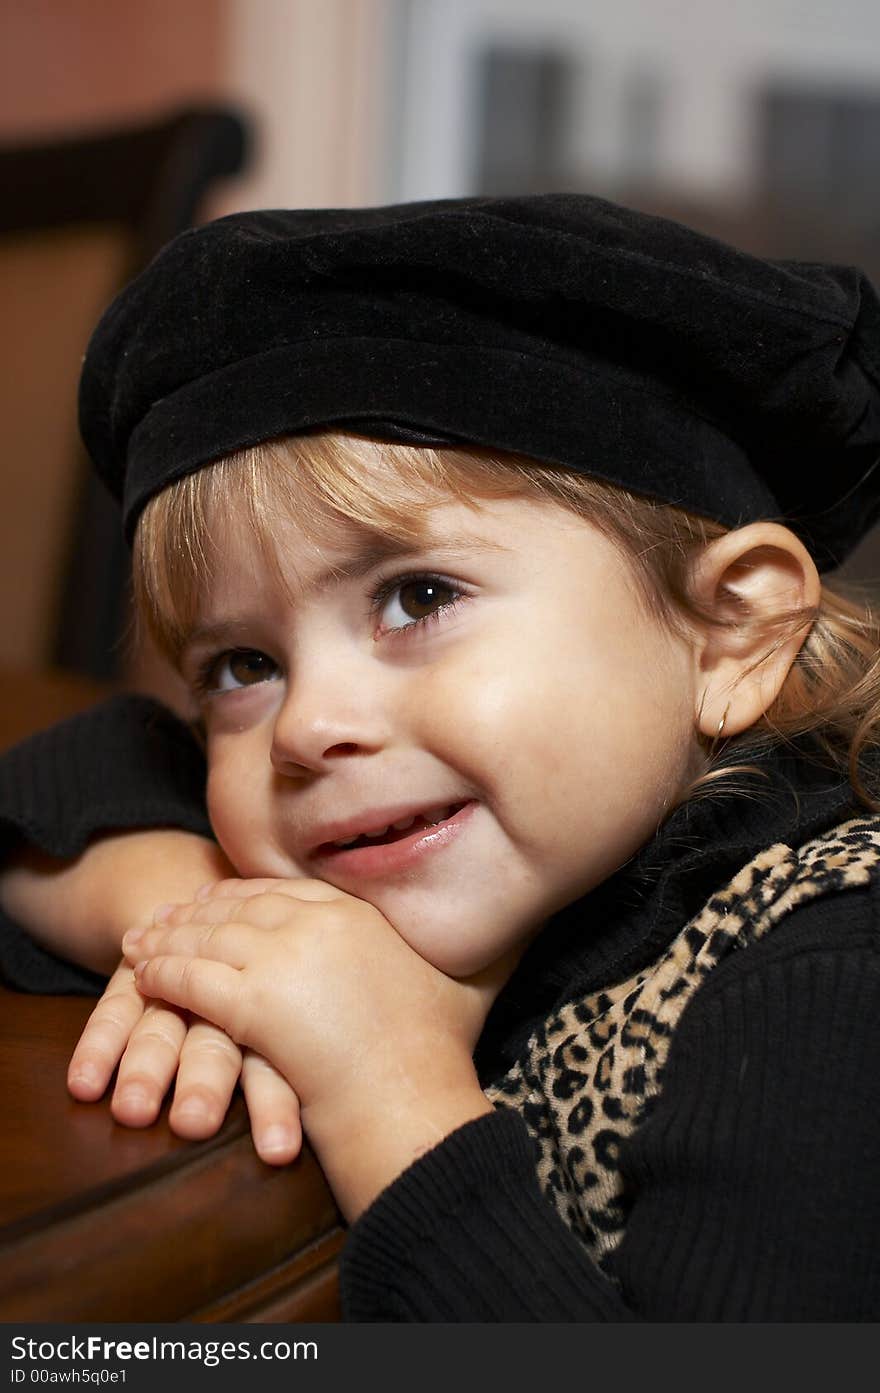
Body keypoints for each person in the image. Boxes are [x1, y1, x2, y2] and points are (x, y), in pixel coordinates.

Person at [1, 193, 880, 1320]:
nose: (309, 725)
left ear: (728, 633)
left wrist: (393, 1096)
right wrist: (201, 914)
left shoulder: (824, 986)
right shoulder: (500, 832)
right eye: (240, 665)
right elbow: (60, 775)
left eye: (417, 597)